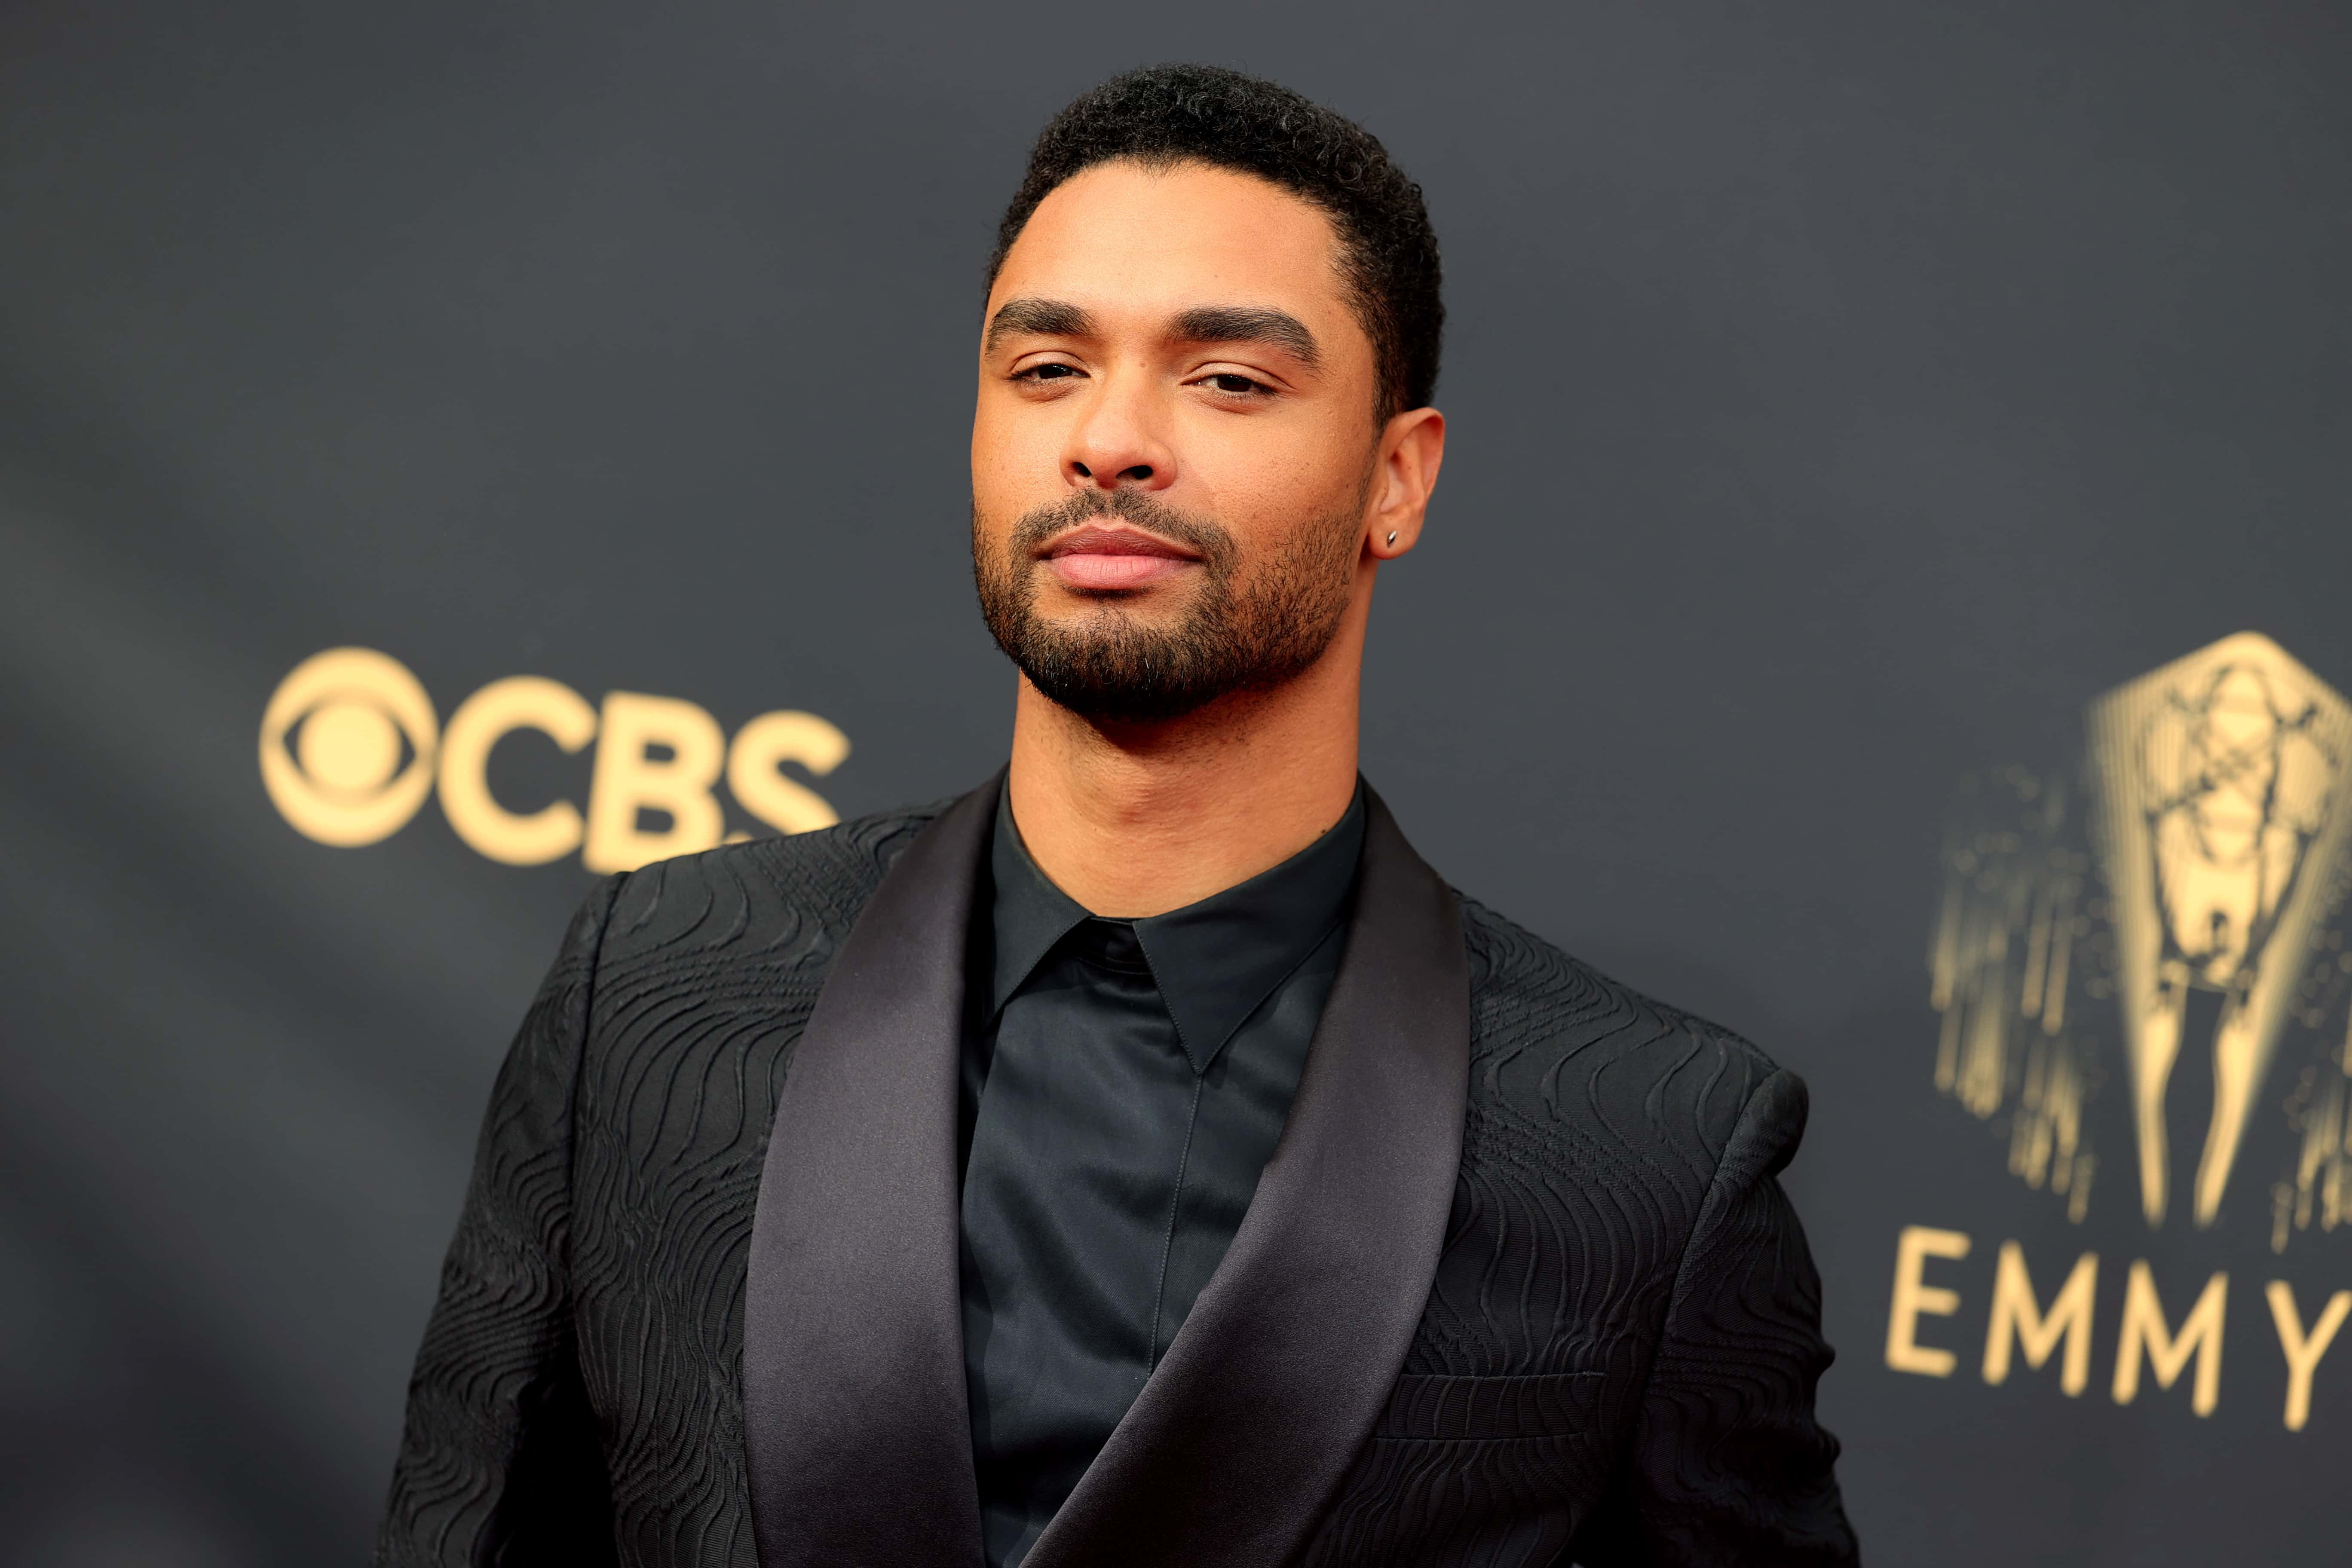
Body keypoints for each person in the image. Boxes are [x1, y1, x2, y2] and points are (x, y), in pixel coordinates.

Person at [377, 64, 1857, 1568]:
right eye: (1046, 369)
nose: (1110, 442)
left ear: (1395, 480)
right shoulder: (655, 985)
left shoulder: (1654, 1152)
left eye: (1227, 379)